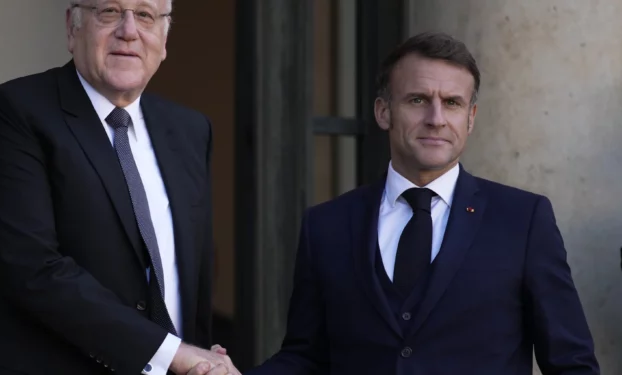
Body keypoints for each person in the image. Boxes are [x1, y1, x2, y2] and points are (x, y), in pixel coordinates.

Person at [246, 32, 600, 374]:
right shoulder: (326, 226)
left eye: (452, 103)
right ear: (383, 112)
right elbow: (305, 358)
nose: (436, 119)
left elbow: (571, 363)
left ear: (471, 118)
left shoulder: (523, 221)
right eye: (417, 100)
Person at [0, 1, 239, 374]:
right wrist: (172, 353)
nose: (129, 30)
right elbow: (31, 267)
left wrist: (201, 357)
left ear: (165, 37)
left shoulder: (190, 130)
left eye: (145, 15)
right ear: (72, 29)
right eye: (110, 11)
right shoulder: (15, 112)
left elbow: (191, 276)